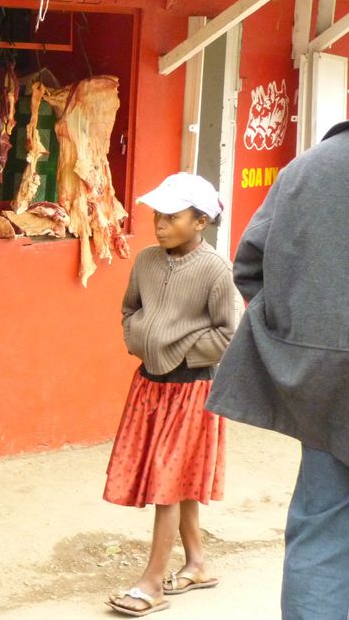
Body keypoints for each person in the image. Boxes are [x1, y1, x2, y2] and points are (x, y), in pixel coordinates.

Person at [206, 121, 349, 620]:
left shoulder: (307, 168)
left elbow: (248, 266)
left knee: (322, 530)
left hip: (326, 385)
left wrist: (303, 336)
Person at [103, 173, 243, 617]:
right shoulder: (145, 261)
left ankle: (151, 584)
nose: (160, 224)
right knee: (173, 477)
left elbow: (228, 333)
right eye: (157, 215)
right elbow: (130, 309)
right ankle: (197, 564)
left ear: (201, 221)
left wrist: (178, 349)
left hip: (191, 390)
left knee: (166, 482)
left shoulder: (216, 270)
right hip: (149, 385)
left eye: (172, 216)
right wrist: (140, 338)